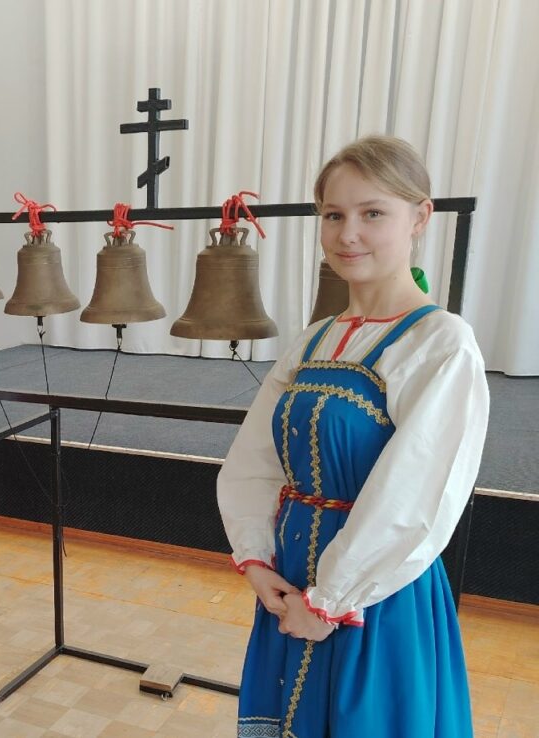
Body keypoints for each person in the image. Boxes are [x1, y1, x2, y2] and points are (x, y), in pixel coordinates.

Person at [217, 135, 488, 738]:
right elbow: (255, 460)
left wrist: (331, 599)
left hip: (373, 597)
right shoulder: (314, 338)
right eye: (334, 215)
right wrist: (256, 560)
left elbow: (416, 494)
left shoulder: (440, 343)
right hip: (290, 583)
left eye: (373, 213)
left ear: (420, 217)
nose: (348, 235)